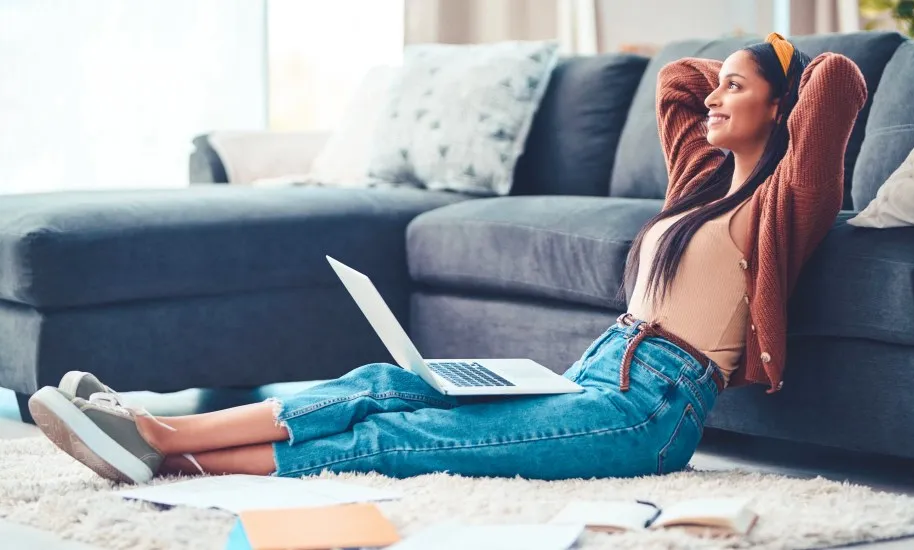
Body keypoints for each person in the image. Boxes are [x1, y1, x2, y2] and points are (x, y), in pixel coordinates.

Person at [27, 33, 867, 485]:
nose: (711, 95)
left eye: (736, 86)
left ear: (779, 108)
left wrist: (785, 66)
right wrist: (737, 74)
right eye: (719, 83)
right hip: (591, 374)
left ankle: (159, 451)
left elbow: (837, 87)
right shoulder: (699, 184)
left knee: (404, 436)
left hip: (648, 415)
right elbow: (674, 85)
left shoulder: (782, 205)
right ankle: (152, 422)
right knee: (383, 381)